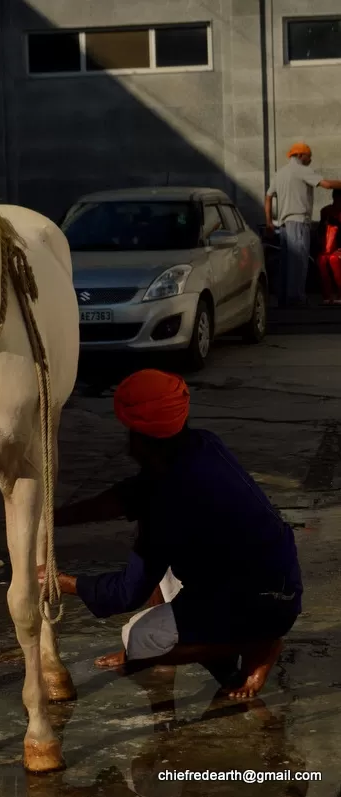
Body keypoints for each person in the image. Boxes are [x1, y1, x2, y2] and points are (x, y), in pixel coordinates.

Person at [39, 369, 303, 699]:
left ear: (138, 438)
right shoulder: (204, 445)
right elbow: (126, 496)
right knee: (165, 581)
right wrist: (52, 516)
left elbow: (126, 593)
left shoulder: (164, 506)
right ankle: (234, 649)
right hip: (279, 583)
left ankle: (258, 644)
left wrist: (61, 582)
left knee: (138, 640)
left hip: (258, 603)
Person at [265, 143, 341, 308]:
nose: (310, 159)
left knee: (286, 262)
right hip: (298, 221)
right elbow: (327, 185)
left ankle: (284, 298)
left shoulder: (280, 173)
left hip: (284, 224)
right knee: (298, 261)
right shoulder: (302, 170)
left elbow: (268, 196)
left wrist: (269, 222)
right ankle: (296, 298)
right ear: (300, 155)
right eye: (309, 156)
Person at [316, 189, 341, 305]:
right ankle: (327, 294)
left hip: (336, 248)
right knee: (322, 260)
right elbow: (320, 231)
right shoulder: (326, 211)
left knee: (334, 260)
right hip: (328, 247)